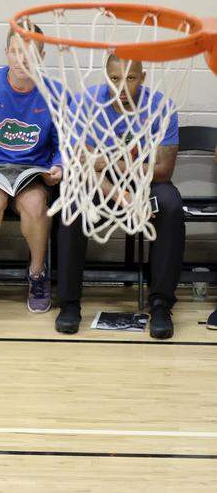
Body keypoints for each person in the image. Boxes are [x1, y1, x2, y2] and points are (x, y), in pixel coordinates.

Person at [55, 55, 185, 339]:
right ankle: (68, 302)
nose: (122, 87)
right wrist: (120, 193)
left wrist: (110, 162)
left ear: (143, 77)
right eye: (115, 79)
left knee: (171, 206)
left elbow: (162, 171)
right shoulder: (89, 101)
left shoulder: (161, 106)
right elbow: (80, 163)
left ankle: (161, 302)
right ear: (106, 76)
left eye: (130, 78)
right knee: (73, 203)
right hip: (103, 183)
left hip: (146, 181)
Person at [0, 24, 62, 313]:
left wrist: (59, 165)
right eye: (16, 51)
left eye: (30, 52)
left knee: (35, 202)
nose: (22, 59)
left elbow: (61, 144)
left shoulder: (54, 93)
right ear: (7, 53)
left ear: (42, 55)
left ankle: (37, 274)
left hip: (32, 170)